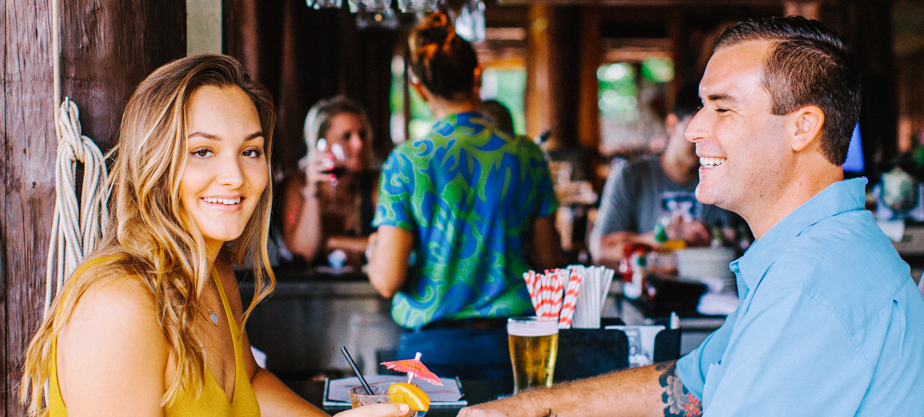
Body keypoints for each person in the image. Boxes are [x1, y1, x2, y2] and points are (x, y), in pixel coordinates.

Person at [459, 16, 924, 417]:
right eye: (701, 107)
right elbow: (690, 383)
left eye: (722, 108)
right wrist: (524, 407)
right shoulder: (810, 253)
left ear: (802, 127)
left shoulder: (812, 288)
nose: (694, 129)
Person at [20, 54, 409, 417]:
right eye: (203, 151)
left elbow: (249, 384)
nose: (236, 177)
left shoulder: (214, 271)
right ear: (154, 160)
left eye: (250, 151)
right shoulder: (120, 306)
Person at [367, 12, 563, 381]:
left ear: (419, 89)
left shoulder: (409, 160)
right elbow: (548, 260)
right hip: (511, 344)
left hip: (430, 349)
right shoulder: (526, 154)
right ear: (478, 76)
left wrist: (375, 252)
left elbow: (387, 279)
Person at [589, 83, 739, 263]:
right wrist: (660, 240)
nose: (706, 142)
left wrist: (716, 238)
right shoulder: (630, 176)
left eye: (715, 132)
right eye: (695, 130)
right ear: (671, 124)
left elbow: (741, 243)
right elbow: (601, 250)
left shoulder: (724, 176)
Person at [280, 96, 379, 267]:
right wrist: (312, 190)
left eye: (362, 134)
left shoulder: (376, 183)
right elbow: (303, 253)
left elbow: (387, 245)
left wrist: (331, 242)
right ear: (321, 143)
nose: (359, 143)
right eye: (346, 136)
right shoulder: (297, 184)